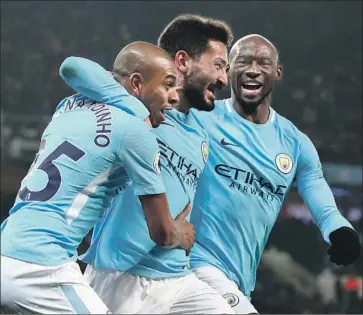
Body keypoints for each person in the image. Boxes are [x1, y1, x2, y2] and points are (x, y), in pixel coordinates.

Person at [0, 42, 196, 314]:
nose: (174, 97)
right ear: (137, 84)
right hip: (42, 267)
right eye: (168, 85)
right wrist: (182, 234)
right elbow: (162, 233)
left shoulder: (69, 104)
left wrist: (131, 105)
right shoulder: (136, 133)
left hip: (7, 248)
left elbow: (73, 67)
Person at [60, 14, 235, 314]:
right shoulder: (139, 106)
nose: (223, 79)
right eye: (218, 66)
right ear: (182, 61)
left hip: (177, 275)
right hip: (121, 278)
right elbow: (73, 68)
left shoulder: (200, 134)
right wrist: (133, 108)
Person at [189, 34, 362, 313]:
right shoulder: (199, 119)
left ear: (277, 72)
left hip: (240, 279)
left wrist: (340, 232)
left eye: (263, 62)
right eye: (243, 61)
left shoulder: (295, 143)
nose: (253, 69)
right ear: (228, 69)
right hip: (194, 265)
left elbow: (321, 199)